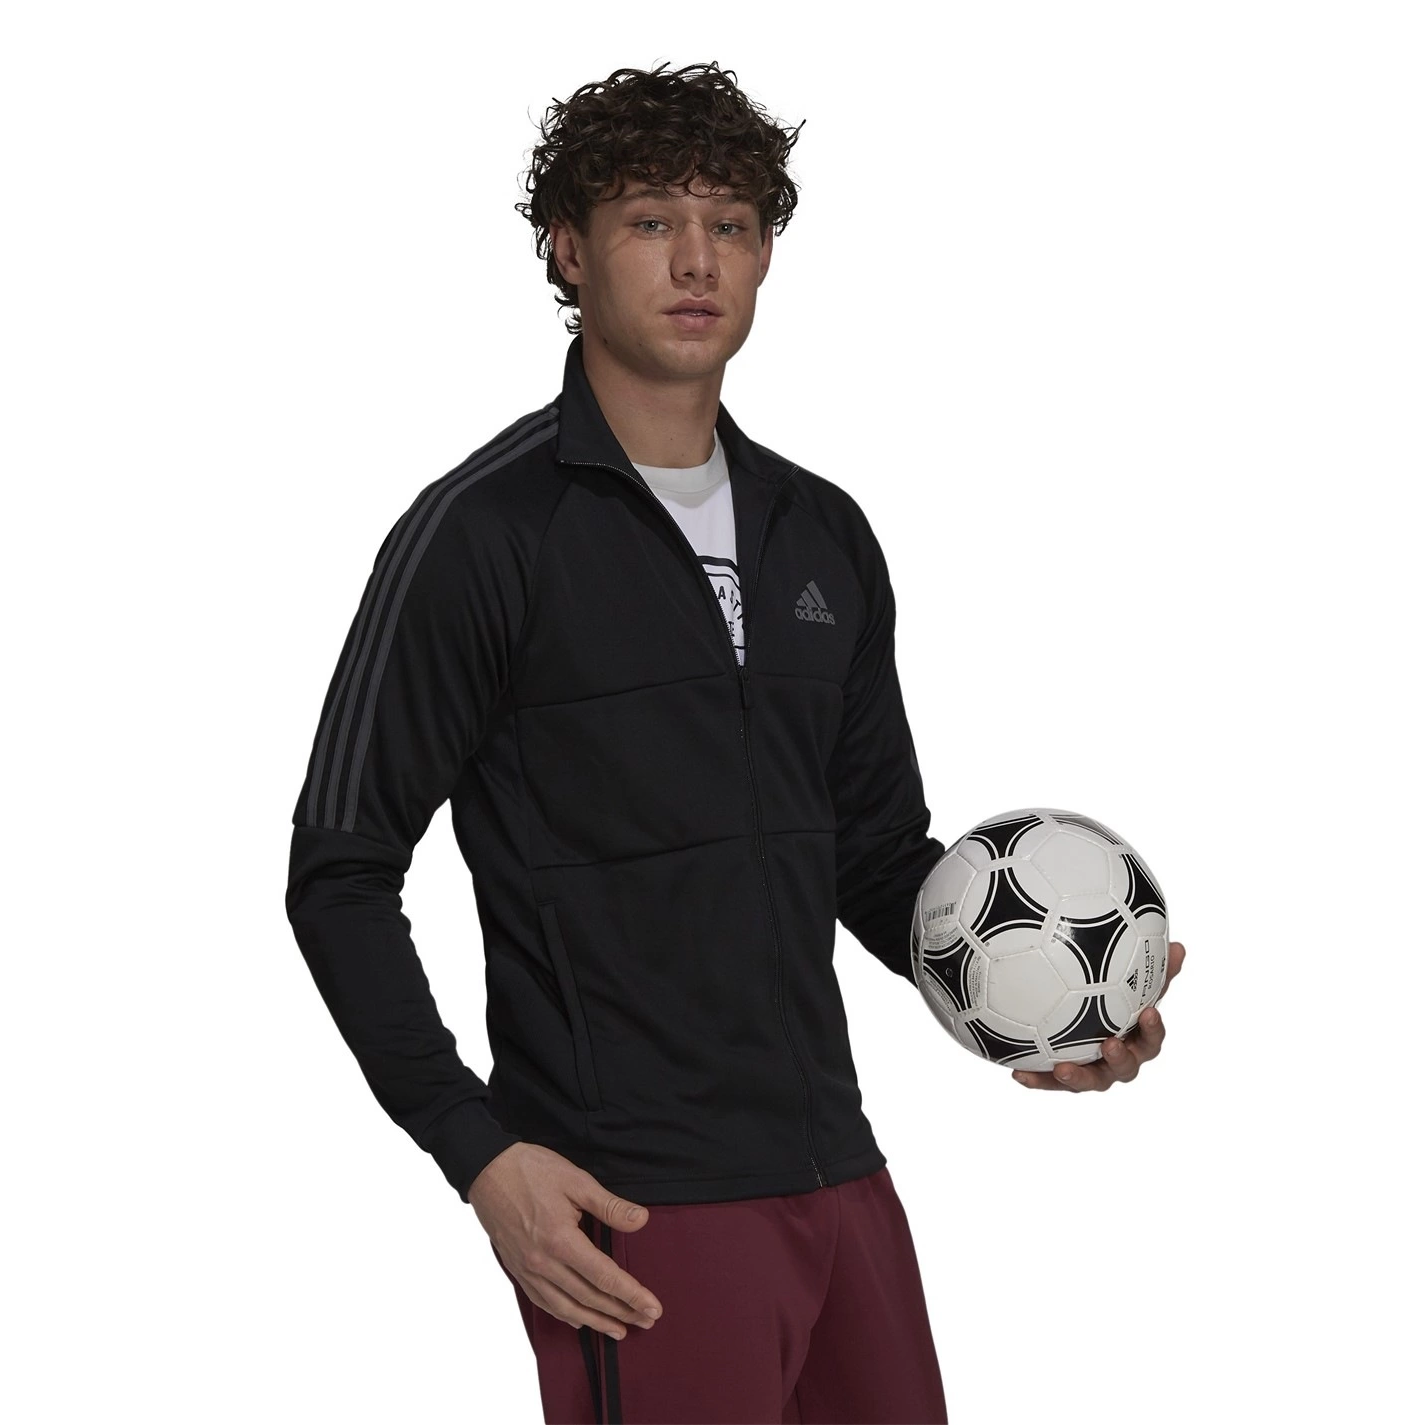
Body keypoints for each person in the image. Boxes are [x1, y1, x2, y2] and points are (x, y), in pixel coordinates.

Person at [284, 61, 1183, 1425]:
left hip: (839, 1175)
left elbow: (870, 854)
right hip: (634, 1206)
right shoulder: (482, 536)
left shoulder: (820, 530)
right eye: (651, 219)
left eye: (732, 222)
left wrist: (1031, 1004)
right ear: (568, 249)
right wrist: (478, 1154)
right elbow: (339, 872)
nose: (697, 259)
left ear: (767, 253)